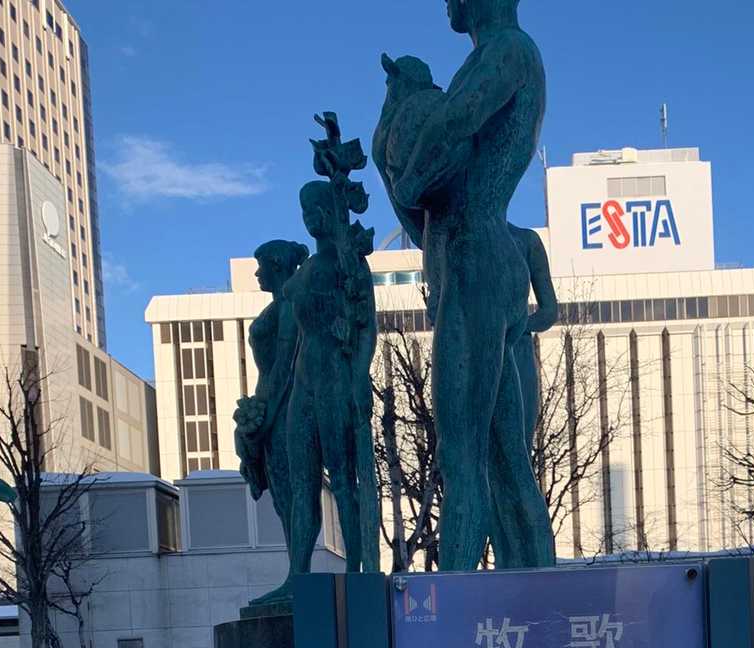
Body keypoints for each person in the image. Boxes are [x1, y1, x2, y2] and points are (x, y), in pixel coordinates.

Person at [380, 0, 557, 572]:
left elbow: (453, 122)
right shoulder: (508, 53)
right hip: (481, 256)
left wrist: (407, 178)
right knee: (506, 463)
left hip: (476, 261)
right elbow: (428, 219)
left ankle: (453, 603)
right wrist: (400, 176)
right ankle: (539, 593)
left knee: (463, 461)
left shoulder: (506, 50)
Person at [285, 182, 379, 575]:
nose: (310, 217)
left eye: (316, 208)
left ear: (331, 210)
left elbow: (367, 327)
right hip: (303, 381)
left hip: (335, 378)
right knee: (302, 482)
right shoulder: (306, 269)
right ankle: (298, 573)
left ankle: (356, 567)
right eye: (304, 210)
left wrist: (358, 378)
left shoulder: (350, 262)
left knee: (343, 478)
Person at [233, 239, 308, 607]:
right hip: (268, 405)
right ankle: (296, 572)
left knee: (292, 494)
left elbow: (283, 369)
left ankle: (300, 575)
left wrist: (264, 419)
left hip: (284, 408)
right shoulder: (277, 306)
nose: (257, 273)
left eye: (262, 265)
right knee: (282, 498)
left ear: (278, 266)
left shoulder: (291, 306)